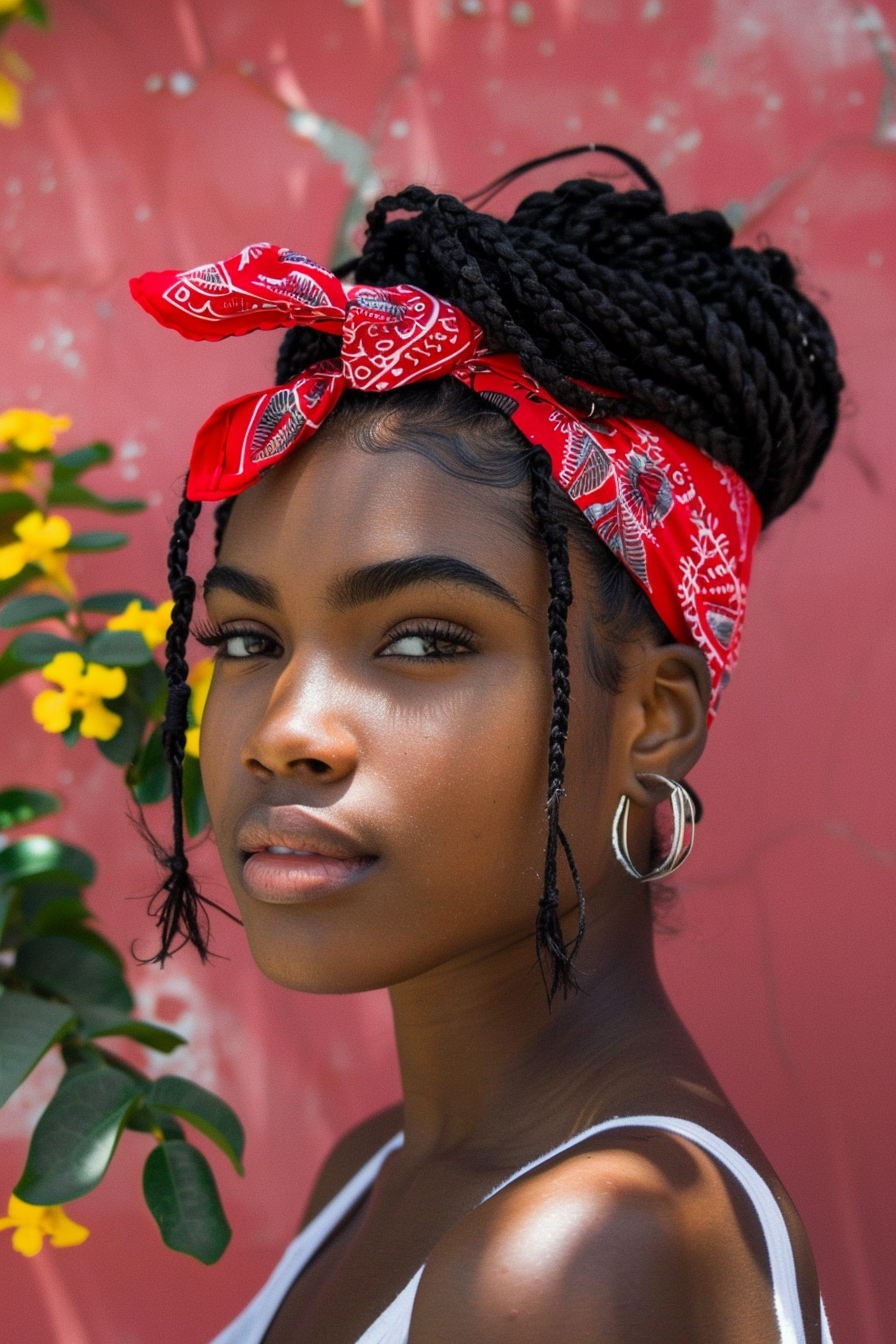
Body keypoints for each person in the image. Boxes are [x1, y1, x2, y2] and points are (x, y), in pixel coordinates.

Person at [131, 147, 842, 1343]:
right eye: (247, 639)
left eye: (419, 642)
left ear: (653, 721)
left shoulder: (588, 1249)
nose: (287, 733)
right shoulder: (379, 1176)